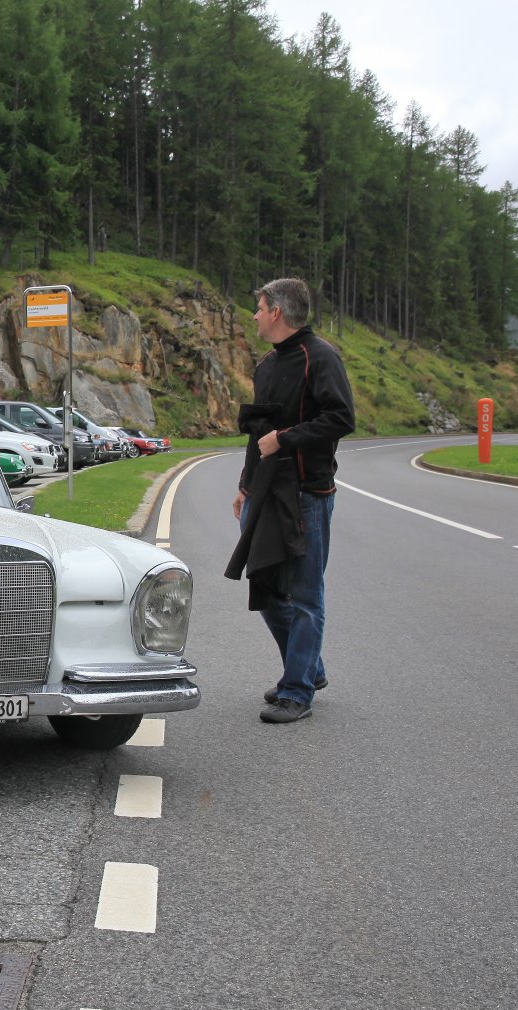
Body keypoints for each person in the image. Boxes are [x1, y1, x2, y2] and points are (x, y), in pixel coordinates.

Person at [230, 278, 355, 724]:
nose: (255, 315)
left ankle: (297, 691)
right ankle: (310, 669)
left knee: (304, 596)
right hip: (265, 492)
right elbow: (258, 434)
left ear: (277, 312)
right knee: (264, 585)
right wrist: (245, 485)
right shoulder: (267, 364)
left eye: (260, 307)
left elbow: (341, 418)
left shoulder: (320, 358)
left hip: (307, 495)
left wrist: (284, 439)